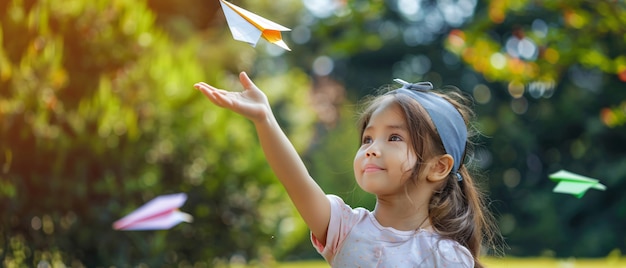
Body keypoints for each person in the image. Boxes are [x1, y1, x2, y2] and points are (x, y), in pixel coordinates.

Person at [194, 72, 499, 267]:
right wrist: (265, 120)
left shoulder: (445, 258)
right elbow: (296, 180)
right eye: (367, 138)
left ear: (438, 167)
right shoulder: (345, 229)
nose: (371, 148)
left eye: (394, 137)